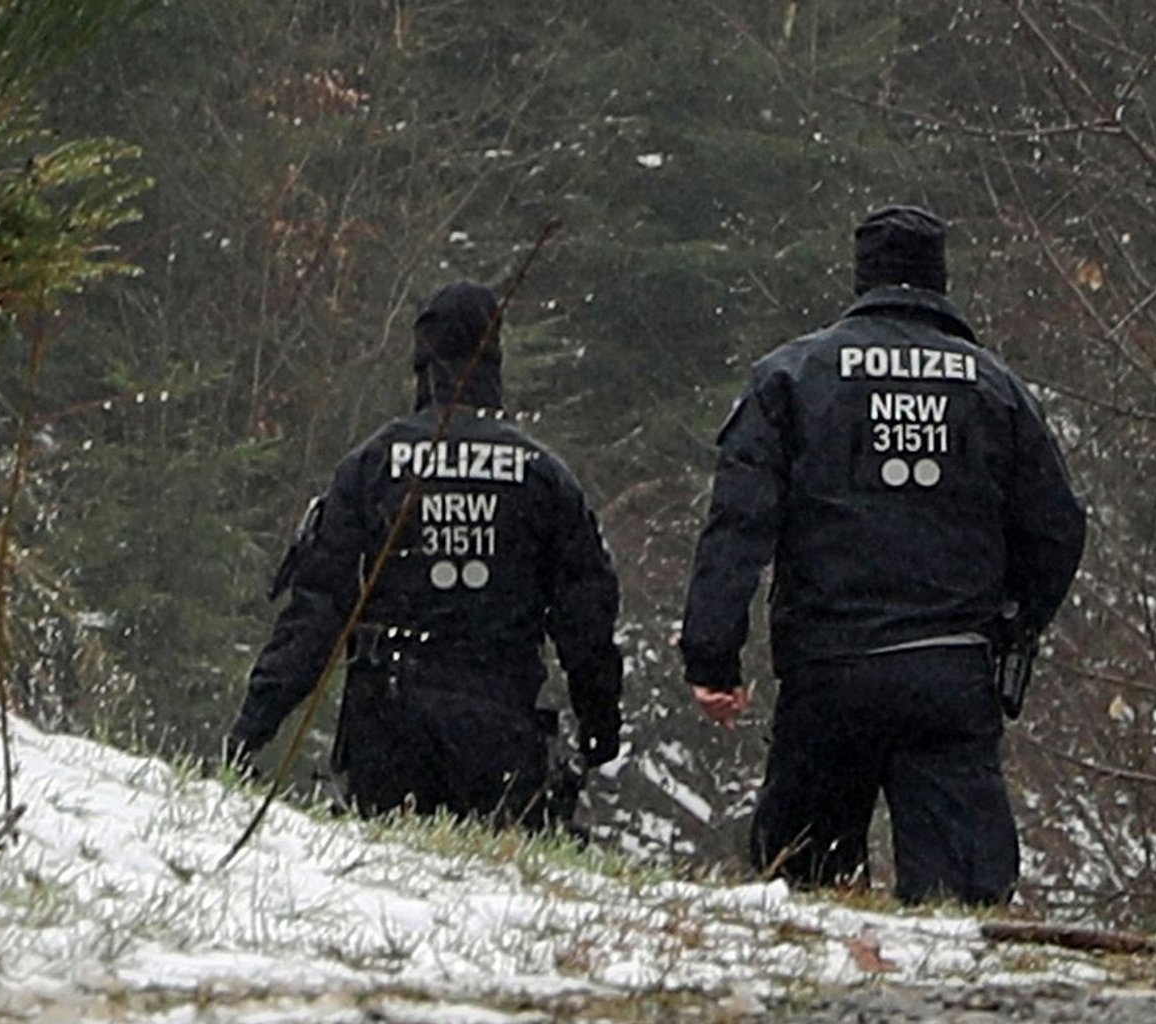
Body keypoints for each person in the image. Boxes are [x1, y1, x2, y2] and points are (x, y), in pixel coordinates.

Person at [680, 206, 1086, 906]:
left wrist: (713, 655)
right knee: (963, 907)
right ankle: (962, 1011)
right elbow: (1057, 529)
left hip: (828, 673)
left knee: (804, 897)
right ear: (939, 277)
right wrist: (1012, 623)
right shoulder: (995, 389)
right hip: (950, 669)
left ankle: (823, 1008)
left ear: (862, 275)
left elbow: (738, 525)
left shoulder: (793, 377)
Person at [226, 279, 623, 831]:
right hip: (499, 723)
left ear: (422, 358)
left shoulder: (373, 463)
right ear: (494, 358)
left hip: (388, 722)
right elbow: (587, 615)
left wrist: (254, 724)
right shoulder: (541, 475)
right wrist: (601, 721)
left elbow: (317, 610)